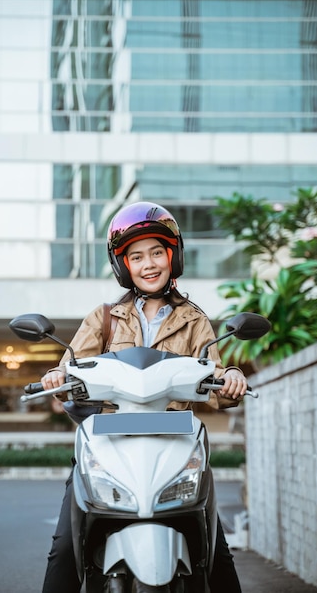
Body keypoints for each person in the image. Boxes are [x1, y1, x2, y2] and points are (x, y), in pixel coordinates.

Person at [40, 201, 247, 593]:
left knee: (216, 551)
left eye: (157, 252)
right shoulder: (103, 317)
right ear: (123, 265)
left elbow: (214, 371)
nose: (148, 263)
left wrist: (231, 376)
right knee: (65, 548)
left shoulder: (194, 320)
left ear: (173, 256)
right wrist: (55, 375)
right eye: (136, 256)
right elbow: (70, 364)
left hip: (173, 446)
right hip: (108, 445)